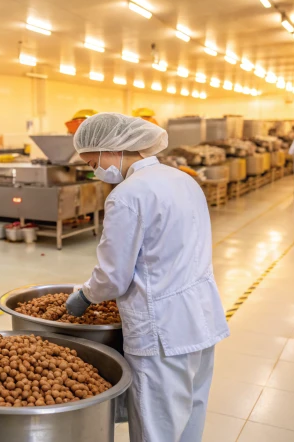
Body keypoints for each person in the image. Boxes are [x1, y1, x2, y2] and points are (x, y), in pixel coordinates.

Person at [65, 113, 230, 442]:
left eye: (93, 160)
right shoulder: (182, 179)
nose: (95, 169)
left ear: (114, 148)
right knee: (191, 414)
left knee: (156, 427)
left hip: (161, 332)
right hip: (200, 317)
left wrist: (84, 295)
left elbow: (114, 277)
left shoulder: (128, 194)